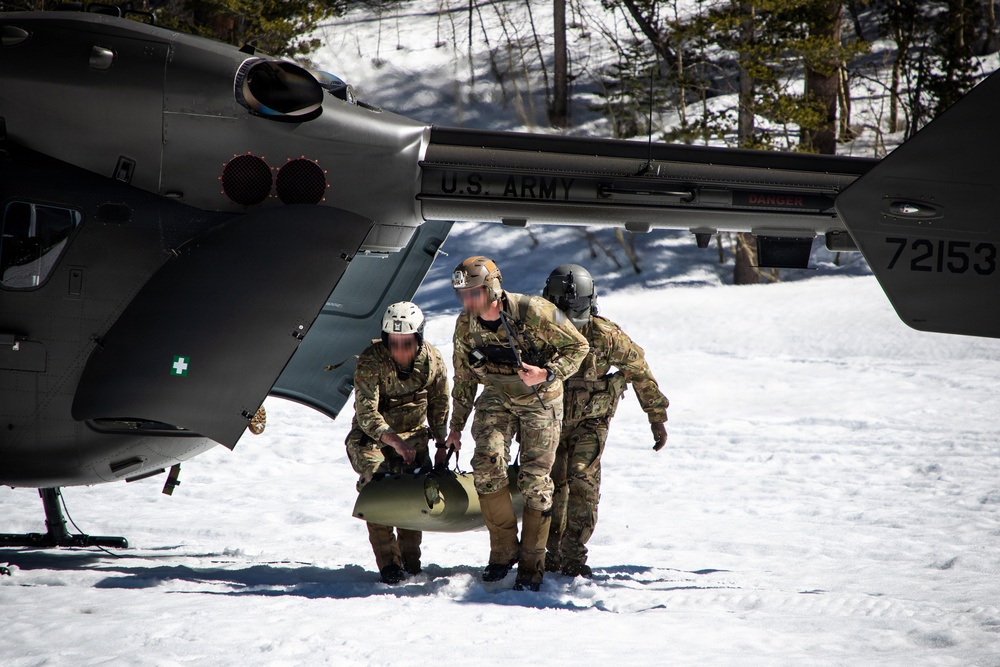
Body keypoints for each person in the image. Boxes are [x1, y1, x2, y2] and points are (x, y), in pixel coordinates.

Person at [444, 256, 588, 591]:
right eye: (462, 295)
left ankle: (532, 562)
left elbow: (577, 347)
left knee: (536, 480)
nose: (468, 302)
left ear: (492, 288)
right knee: (486, 464)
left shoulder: (533, 310)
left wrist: (546, 373)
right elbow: (464, 377)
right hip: (498, 392)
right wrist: (455, 428)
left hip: (540, 395)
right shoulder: (465, 324)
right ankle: (503, 549)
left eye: (474, 293)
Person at [542, 264, 669, 578]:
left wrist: (656, 416)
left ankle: (573, 555)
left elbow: (639, 370)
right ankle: (549, 553)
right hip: (549, 422)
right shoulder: (537, 330)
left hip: (591, 424)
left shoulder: (606, 335)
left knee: (582, 481)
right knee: (551, 486)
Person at [345, 301, 449, 584]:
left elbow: (439, 405)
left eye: (407, 343)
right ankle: (389, 565)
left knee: (414, 492)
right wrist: (396, 444)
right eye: (394, 343)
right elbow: (367, 414)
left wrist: (441, 446)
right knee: (379, 488)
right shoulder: (370, 361)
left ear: (419, 339)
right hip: (372, 440)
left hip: (414, 439)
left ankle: (410, 562)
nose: (400, 351)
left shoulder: (433, 361)